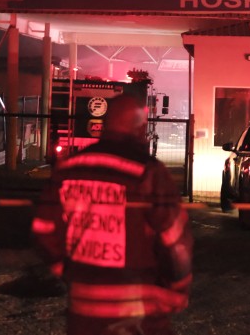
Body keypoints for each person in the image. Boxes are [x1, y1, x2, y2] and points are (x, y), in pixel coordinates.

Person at [32, 94, 193, 335]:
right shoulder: (148, 173)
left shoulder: (68, 169)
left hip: (83, 314)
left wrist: (66, 271)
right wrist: (178, 285)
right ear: (141, 128)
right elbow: (174, 240)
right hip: (139, 316)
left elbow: (43, 229)